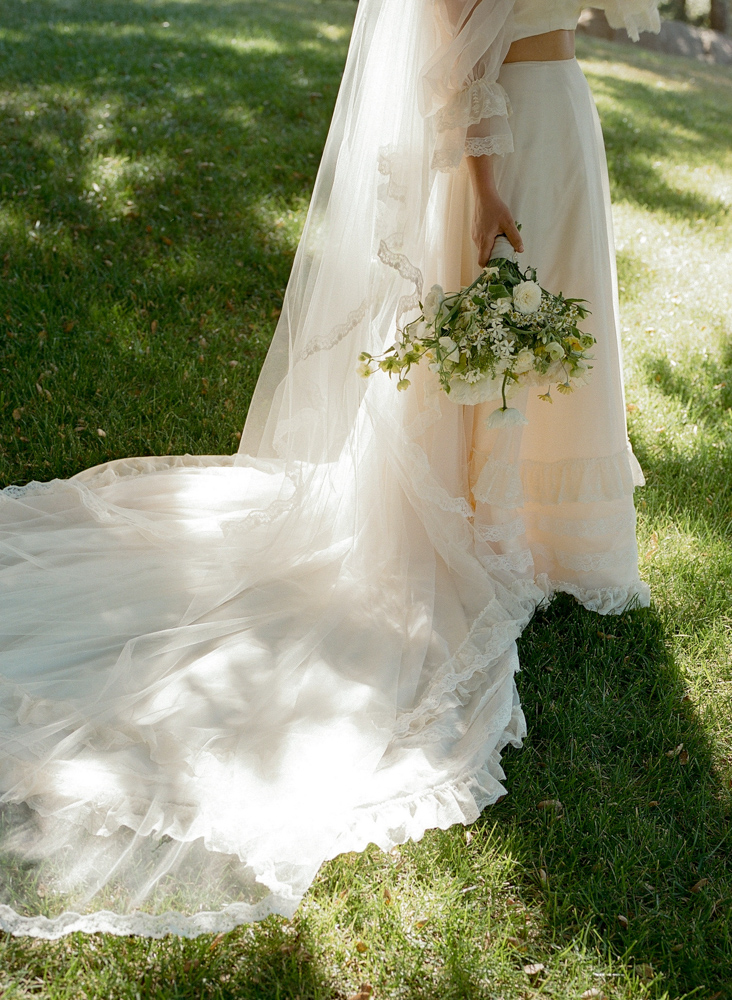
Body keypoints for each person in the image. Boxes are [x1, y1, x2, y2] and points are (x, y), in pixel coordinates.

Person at [0, 0, 659, 938]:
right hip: (507, 138)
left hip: (564, 116)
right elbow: (451, 38)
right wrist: (483, 185)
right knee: (498, 327)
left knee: (555, 329)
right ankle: (491, 515)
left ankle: (548, 529)